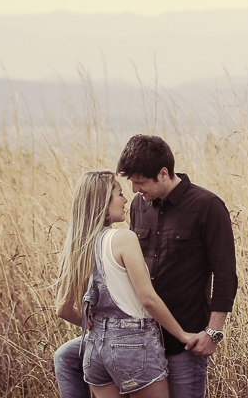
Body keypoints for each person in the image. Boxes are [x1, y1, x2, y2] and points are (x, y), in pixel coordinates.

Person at [54, 135, 238, 398]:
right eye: (129, 184)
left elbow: (225, 275)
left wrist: (213, 332)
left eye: (140, 183)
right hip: (136, 337)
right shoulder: (139, 206)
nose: (133, 191)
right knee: (65, 356)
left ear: (163, 173)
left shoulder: (207, 207)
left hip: (182, 341)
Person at [53, 170, 194, 397]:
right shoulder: (123, 239)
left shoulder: (76, 246)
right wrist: (183, 335)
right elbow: (148, 299)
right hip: (134, 346)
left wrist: (94, 326)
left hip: (95, 351)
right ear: (103, 203)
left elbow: (63, 309)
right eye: (119, 193)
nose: (126, 199)